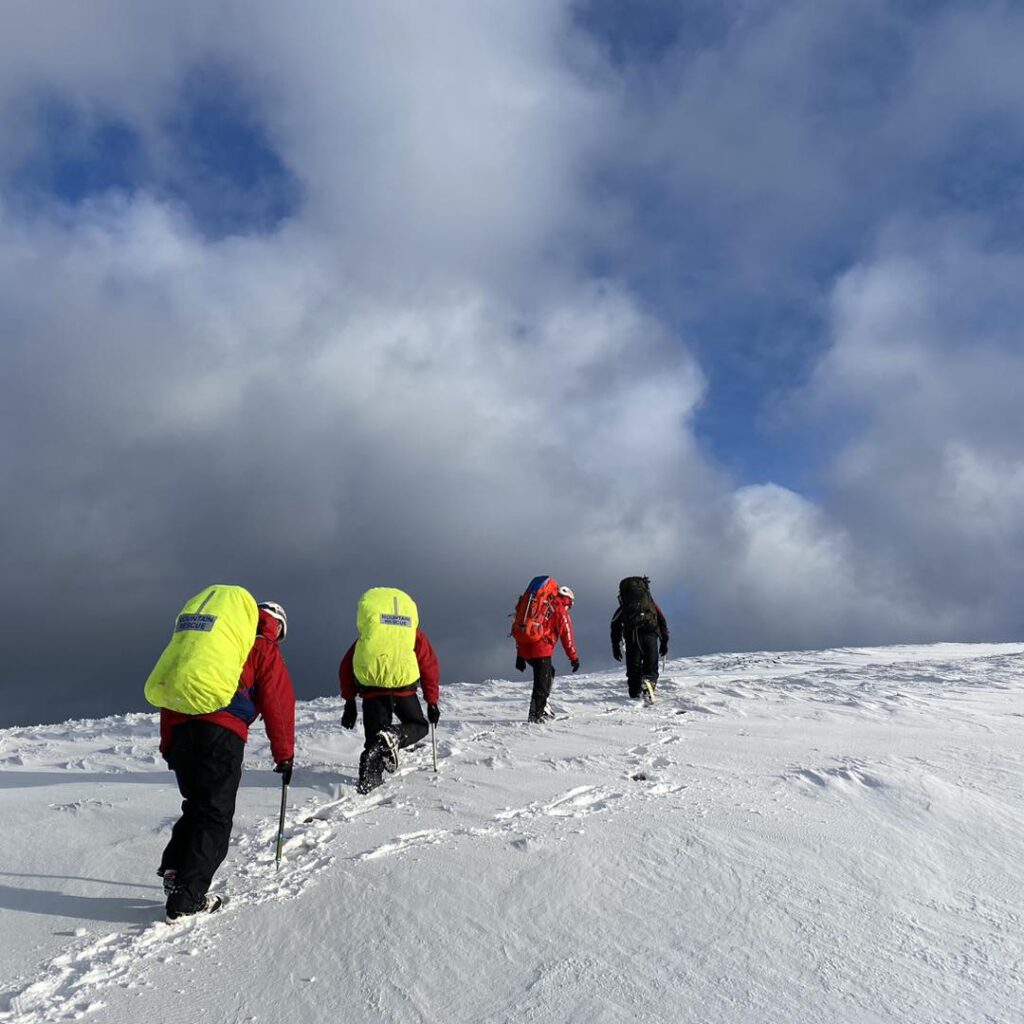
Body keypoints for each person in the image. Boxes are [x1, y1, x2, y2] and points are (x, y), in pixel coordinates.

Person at [158, 600, 295, 920]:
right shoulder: (262, 646)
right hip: (221, 732)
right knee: (216, 814)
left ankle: (177, 870)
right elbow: (277, 701)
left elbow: (173, 689)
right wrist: (285, 754)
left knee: (197, 803)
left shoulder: (210, 642)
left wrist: (168, 741)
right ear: (277, 626)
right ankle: (187, 898)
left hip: (180, 731)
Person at [338, 587, 440, 793]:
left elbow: (346, 666)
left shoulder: (368, 637)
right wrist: (432, 701)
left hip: (372, 692)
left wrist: (350, 703)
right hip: (404, 691)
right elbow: (428, 664)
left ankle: (369, 784)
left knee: (375, 741)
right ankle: (394, 736)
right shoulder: (412, 633)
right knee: (419, 726)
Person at [513, 581, 579, 722]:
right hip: (541, 649)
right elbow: (567, 636)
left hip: (525, 648)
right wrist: (573, 658)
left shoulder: (540, 605)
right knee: (541, 683)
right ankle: (536, 715)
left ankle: (542, 708)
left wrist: (519, 656)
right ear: (569, 601)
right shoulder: (559, 609)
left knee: (549, 673)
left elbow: (521, 628)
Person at [610, 576, 669, 700]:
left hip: (632, 637)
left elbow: (615, 625)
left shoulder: (625, 607)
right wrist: (664, 641)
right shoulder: (650, 604)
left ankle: (634, 695)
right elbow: (662, 620)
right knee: (651, 666)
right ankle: (649, 686)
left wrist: (616, 647)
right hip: (650, 635)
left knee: (633, 669)